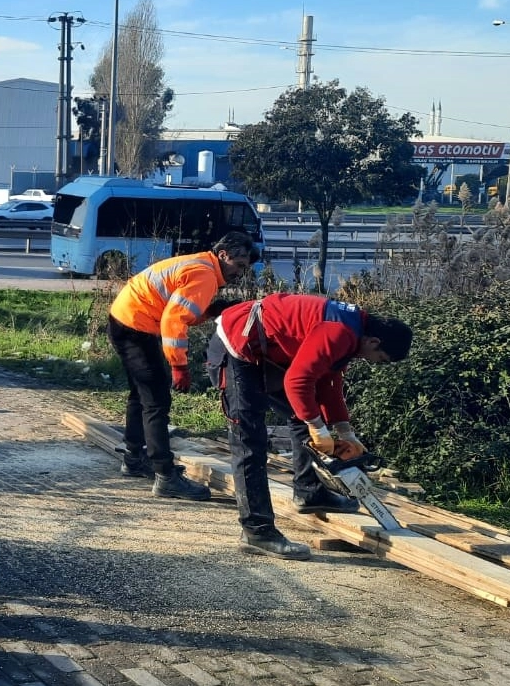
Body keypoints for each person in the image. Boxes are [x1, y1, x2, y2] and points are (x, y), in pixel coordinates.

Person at [208, 294, 413, 560]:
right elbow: (297, 381)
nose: (375, 363)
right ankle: (257, 531)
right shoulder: (340, 332)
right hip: (236, 345)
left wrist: (345, 432)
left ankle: (309, 492)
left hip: (268, 348)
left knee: (305, 415)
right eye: (380, 359)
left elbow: (328, 384)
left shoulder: (352, 332)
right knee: (249, 438)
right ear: (374, 342)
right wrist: (318, 427)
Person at [108, 231, 259, 499]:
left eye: (244, 268)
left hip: (127, 318)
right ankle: (165, 476)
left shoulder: (201, 263)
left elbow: (180, 312)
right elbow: (173, 320)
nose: (240, 273)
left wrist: (211, 311)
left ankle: (133, 458)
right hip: (136, 326)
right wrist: (179, 366)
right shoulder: (205, 275)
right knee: (156, 402)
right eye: (239, 265)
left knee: (141, 395)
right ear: (223, 255)